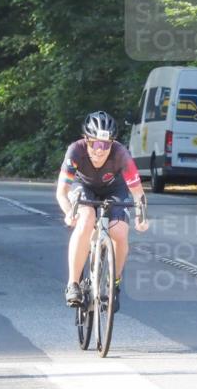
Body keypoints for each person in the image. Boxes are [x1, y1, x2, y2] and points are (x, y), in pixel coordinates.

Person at [56, 111, 149, 311]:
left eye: (106, 145)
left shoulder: (121, 154)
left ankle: (114, 283)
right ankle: (73, 284)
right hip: (83, 186)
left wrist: (141, 217)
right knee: (86, 218)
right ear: (86, 140)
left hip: (114, 189)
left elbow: (138, 193)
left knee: (120, 232)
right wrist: (68, 212)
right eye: (95, 144)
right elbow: (62, 192)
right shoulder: (75, 151)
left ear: (112, 144)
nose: (100, 150)